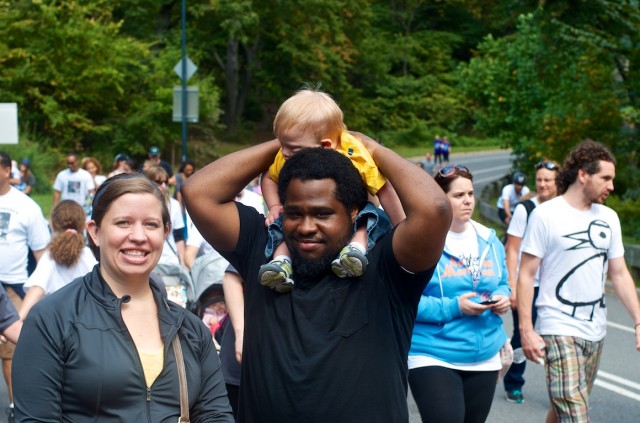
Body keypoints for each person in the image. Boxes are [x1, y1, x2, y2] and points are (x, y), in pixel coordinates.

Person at [182, 136, 452, 422]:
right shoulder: (264, 248)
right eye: (294, 213)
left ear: (354, 212)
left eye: (323, 214)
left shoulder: (387, 261)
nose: (307, 227)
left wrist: (370, 149)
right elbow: (198, 191)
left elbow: (435, 209)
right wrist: (293, 139)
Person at [13, 173, 234, 422]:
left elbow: (216, 415)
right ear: (95, 232)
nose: (139, 236)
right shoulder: (52, 318)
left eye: (151, 224)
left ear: (165, 233)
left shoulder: (191, 328)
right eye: (123, 223)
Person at [517, 140, 640, 423]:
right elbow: (526, 274)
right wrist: (526, 329)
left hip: (595, 329)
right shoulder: (546, 215)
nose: (611, 186)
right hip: (557, 324)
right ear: (583, 174)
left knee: (567, 406)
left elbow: (619, 274)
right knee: (575, 411)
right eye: (605, 178)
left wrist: (638, 320)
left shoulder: (609, 218)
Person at [258, 88, 405, 293]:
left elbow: (383, 189)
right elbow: (268, 177)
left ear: (325, 145)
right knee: (282, 222)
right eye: (281, 144)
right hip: (307, 221)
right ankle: (281, 262)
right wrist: (274, 205)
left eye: (292, 147)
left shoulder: (355, 154)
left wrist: (401, 227)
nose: (283, 152)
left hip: (358, 211)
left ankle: (355, 250)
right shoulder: (289, 152)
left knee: (373, 216)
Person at [408, 164, 510, 423]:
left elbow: (502, 282)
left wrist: (501, 297)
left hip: (484, 353)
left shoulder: (489, 239)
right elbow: (407, 300)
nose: (467, 201)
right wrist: (455, 306)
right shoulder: (422, 240)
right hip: (433, 352)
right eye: (458, 195)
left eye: (470, 194)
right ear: (441, 199)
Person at [502, 160, 559, 404]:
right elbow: (512, 249)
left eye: (548, 180)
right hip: (529, 285)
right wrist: (512, 287)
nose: (543, 184)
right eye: (540, 180)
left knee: (556, 337)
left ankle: (560, 389)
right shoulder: (526, 208)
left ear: (559, 182)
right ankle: (514, 382)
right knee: (522, 335)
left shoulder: (564, 208)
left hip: (554, 286)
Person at [0, 151, 51, 421]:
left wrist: (42, 292)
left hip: (13, 287)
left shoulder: (27, 206)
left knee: (11, 350)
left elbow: (42, 254)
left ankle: (13, 404)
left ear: (8, 171)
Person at [18, 200, 97, 320]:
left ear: (53, 226)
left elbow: (37, 288)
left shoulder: (50, 256)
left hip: (56, 322)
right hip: (85, 321)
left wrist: (18, 319)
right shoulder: (87, 254)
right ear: (83, 226)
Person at [145, 166, 185, 266]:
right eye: (158, 182)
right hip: (147, 261)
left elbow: (179, 237)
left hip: (170, 262)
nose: (163, 186)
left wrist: (182, 263)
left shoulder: (174, 205)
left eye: (166, 182)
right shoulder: (140, 205)